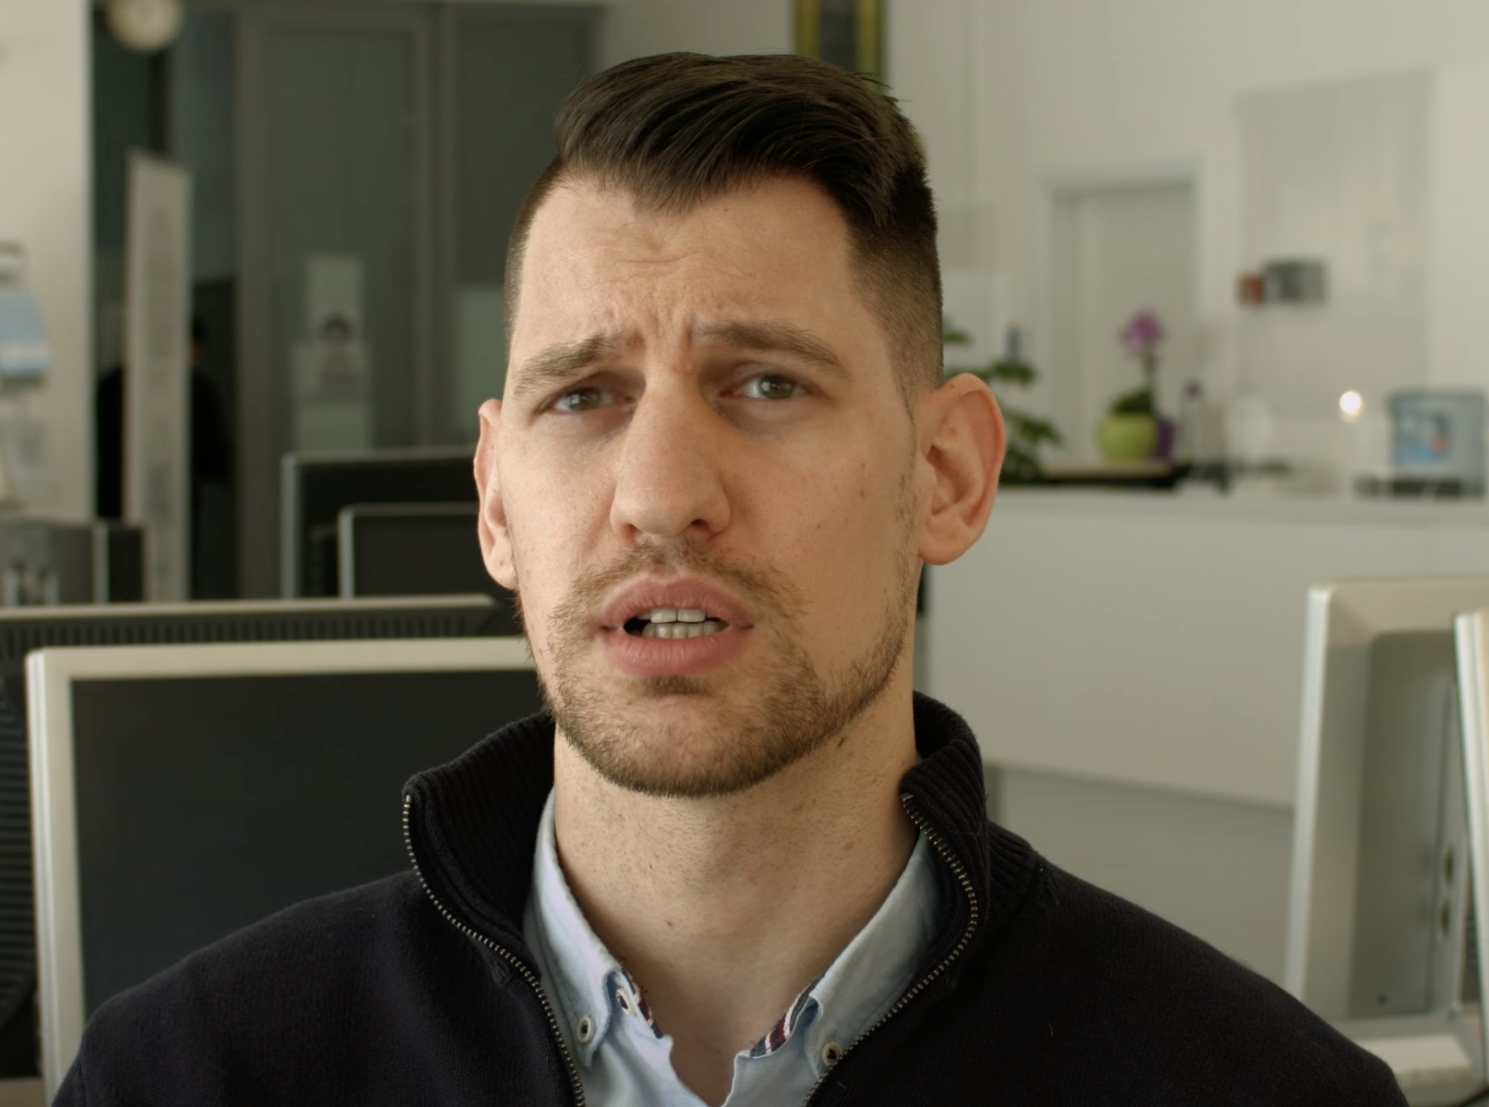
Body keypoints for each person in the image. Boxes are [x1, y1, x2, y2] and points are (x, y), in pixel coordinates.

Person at [58, 53, 1404, 1106]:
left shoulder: (1254, 1092)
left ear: (944, 475)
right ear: (496, 503)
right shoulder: (191, 1080)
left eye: (765, 385)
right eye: (582, 395)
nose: (658, 494)